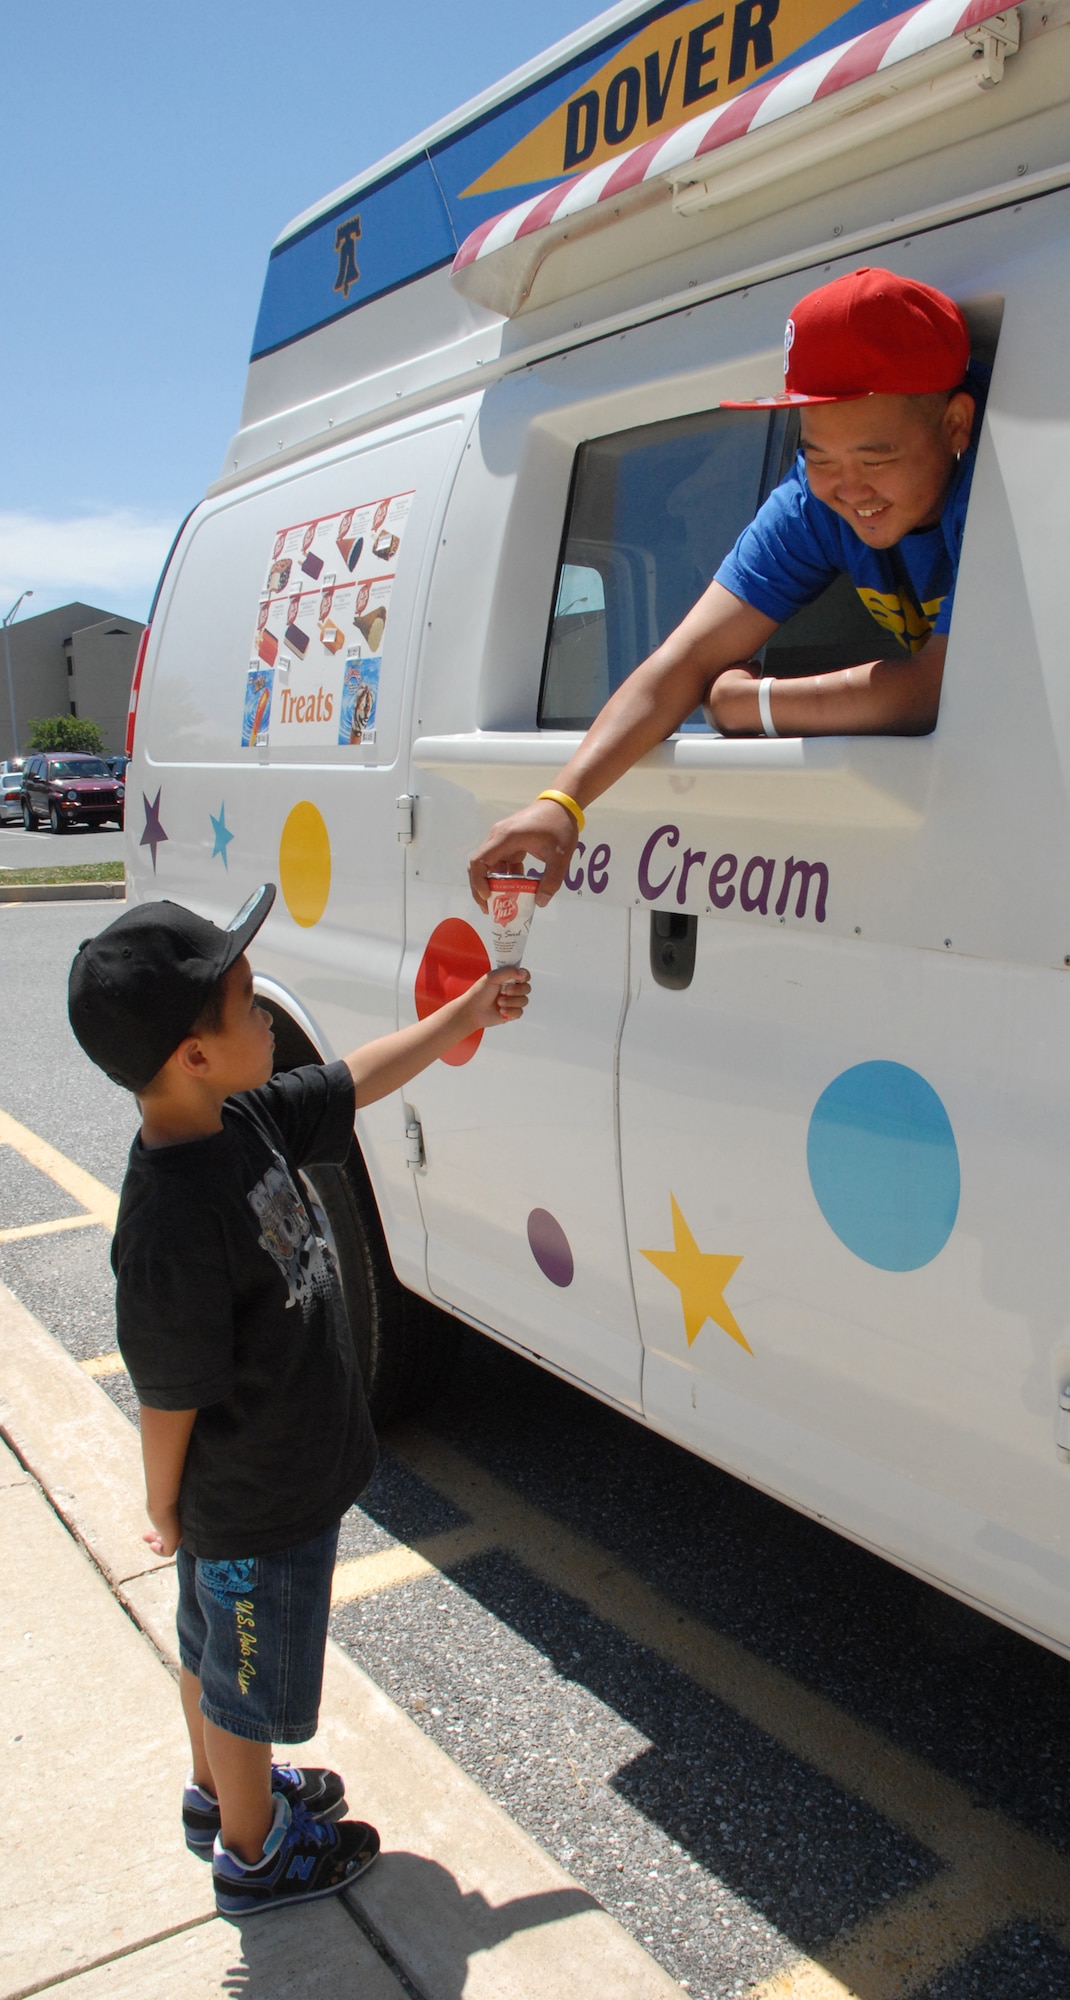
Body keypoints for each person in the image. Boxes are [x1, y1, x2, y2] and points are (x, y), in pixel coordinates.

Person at [67, 885, 528, 1917]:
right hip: (250, 1504)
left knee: (206, 1653)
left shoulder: (238, 1119)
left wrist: (466, 1013)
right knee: (241, 1679)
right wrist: (165, 1502)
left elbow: (352, 1077)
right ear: (192, 1054)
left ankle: (216, 1792)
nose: (265, 1010)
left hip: (267, 1489)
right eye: (244, 1000)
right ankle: (254, 1847)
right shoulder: (170, 1221)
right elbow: (168, 1390)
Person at [469, 266, 983, 909]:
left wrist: (749, 705)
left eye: (875, 460)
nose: (849, 489)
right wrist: (563, 802)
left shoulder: (996, 477)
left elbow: (940, 687)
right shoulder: (812, 504)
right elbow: (685, 660)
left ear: (957, 425)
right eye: (819, 457)